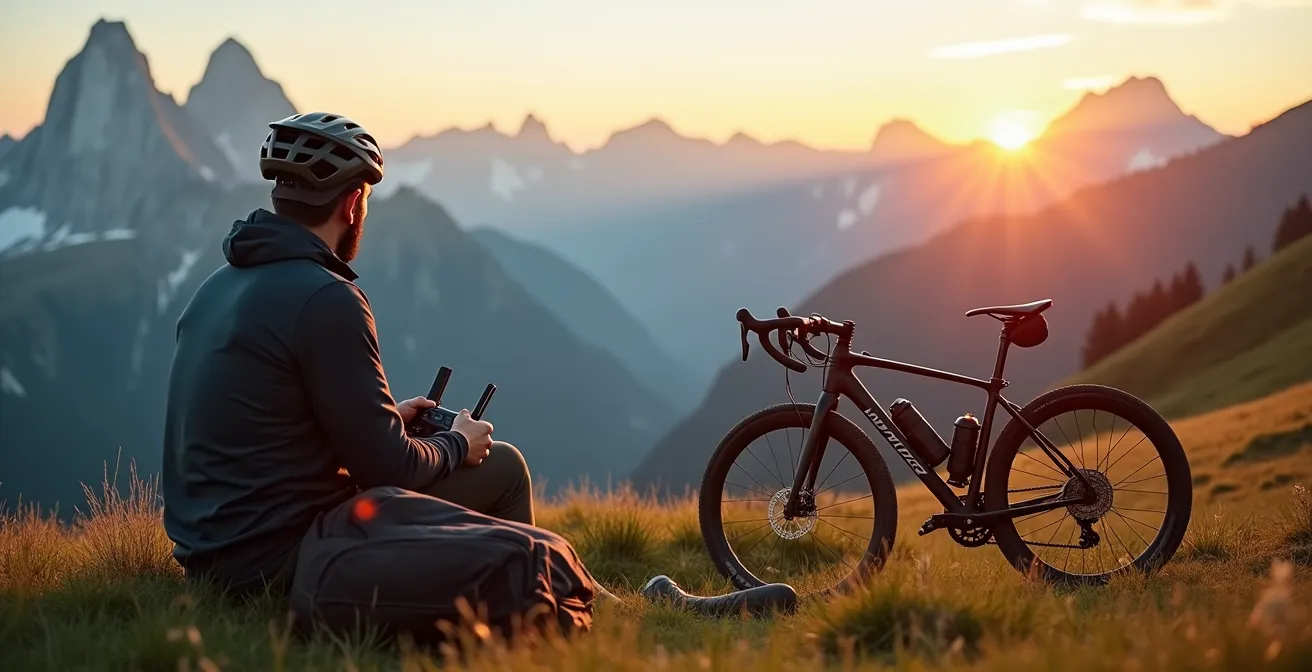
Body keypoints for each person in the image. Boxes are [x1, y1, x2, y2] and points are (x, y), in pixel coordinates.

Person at [159, 113, 596, 624]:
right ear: (351, 204)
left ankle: (576, 595)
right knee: (502, 466)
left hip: (209, 562)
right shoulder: (328, 298)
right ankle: (533, 615)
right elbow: (387, 469)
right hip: (286, 563)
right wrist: (458, 443)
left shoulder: (214, 288)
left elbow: (267, 431)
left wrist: (386, 420)